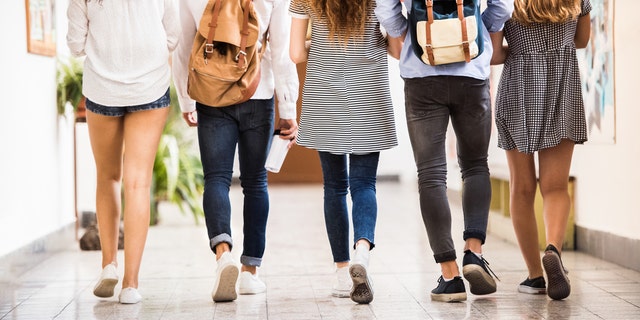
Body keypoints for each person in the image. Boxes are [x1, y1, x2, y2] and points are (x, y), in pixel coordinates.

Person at [375, 0, 513, 302]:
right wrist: (476, 25)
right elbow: (503, 6)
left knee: (430, 175)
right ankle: (473, 253)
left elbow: (385, 8)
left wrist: (410, 31)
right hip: (472, 70)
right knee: (476, 165)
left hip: (421, 75)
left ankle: (449, 275)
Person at [172, 0, 299, 302]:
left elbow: (182, 46)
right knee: (255, 183)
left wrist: (186, 100)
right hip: (259, 90)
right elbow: (281, 52)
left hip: (211, 92)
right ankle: (250, 272)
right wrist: (289, 107)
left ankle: (222, 255)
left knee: (216, 178)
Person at [66, 0, 180, 304]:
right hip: (150, 86)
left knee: (107, 177)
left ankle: (108, 265)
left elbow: (76, 45)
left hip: (102, 88)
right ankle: (131, 284)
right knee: (138, 182)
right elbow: (173, 35)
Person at [289, 0, 398, 304]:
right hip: (370, 94)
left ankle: (341, 271)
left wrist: (318, 43)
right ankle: (361, 250)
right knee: (364, 184)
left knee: (334, 187)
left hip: (325, 95)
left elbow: (295, 53)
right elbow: (397, 49)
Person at [490, 0, 591, 300]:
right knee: (556, 186)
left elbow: (494, 53)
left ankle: (535, 276)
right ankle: (553, 250)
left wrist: (521, 53)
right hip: (563, 85)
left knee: (522, 188)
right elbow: (582, 40)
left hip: (518, 90)